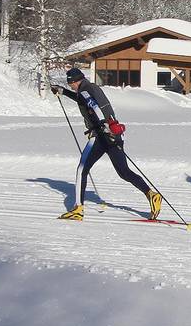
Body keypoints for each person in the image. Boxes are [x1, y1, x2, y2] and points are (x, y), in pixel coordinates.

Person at [51, 67, 163, 221]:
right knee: (124, 172)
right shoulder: (90, 88)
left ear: (76, 81)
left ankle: (77, 209)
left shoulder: (84, 91)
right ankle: (152, 195)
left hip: (101, 136)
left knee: (82, 169)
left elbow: (94, 106)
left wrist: (103, 125)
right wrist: (63, 92)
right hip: (115, 133)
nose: (71, 86)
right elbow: (84, 100)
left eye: (71, 84)